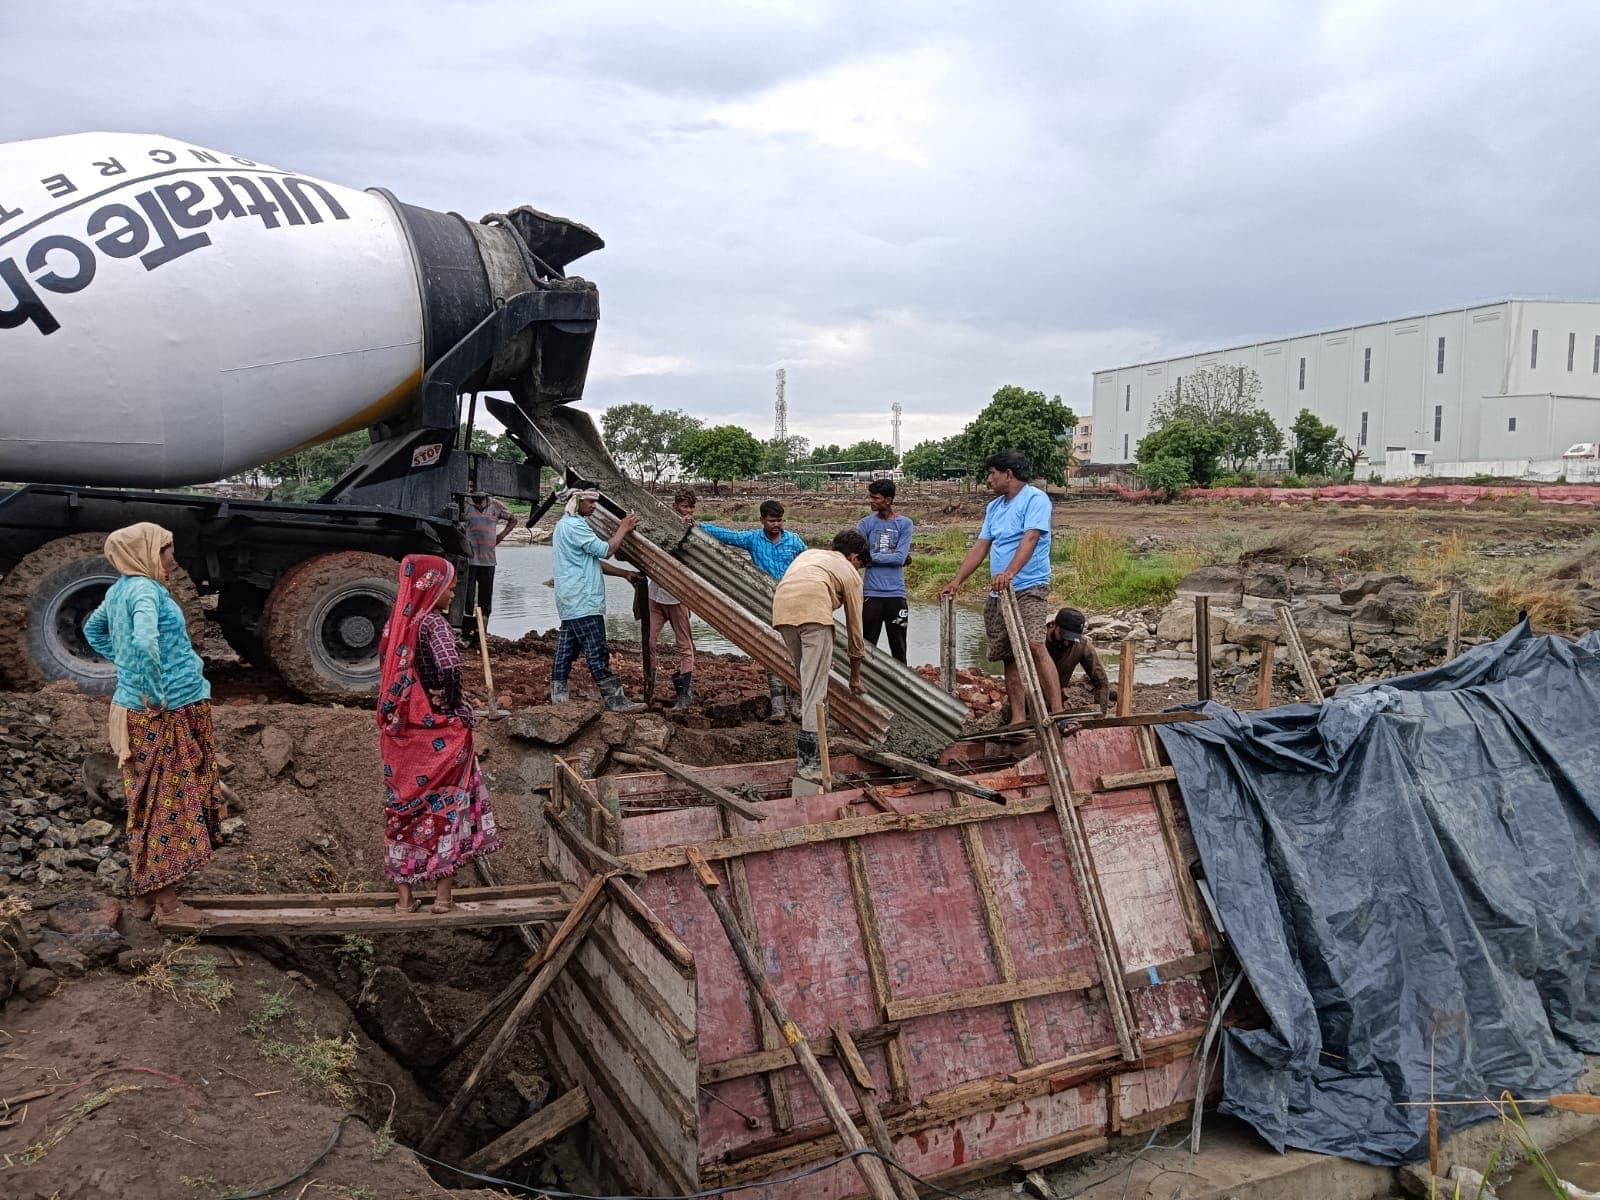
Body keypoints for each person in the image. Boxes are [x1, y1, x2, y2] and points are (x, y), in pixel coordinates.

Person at [83, 523, 222, 926]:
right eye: (166, 550)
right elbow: (146, 643)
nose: (171, 559)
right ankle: (169, 903)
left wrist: (124, 665)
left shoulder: (119, 590)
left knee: (148, 801)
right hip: (164, 712)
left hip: (139, 708)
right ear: (144, 552)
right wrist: (155, 691)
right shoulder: (145, 591)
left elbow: (93, 631)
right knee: (170, 804)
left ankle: (146, 893)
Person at [376, 555, 502, 914]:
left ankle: (404, 900)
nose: (451, 591)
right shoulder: (435, 625)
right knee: (448, 806)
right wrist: (451, 702)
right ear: (432, 588)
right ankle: (443, 897)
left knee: (402, 812)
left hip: (401, 739)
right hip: (439, 734)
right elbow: (449, 664)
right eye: (447, 585)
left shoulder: (396, 627)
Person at [938, 449, 1063, 722]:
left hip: (1029, 585)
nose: (989, 479)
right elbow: (982, 545)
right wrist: (956, 581)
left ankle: (1058, 711)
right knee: (1009, 655)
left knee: (1034, 645)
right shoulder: (994, 507)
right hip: (999, 591)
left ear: (1009, 473)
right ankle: (1018, 717)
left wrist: (1010, 571)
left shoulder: (1035, 499)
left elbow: (1031, 538)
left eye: (993, 474)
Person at [772, 531, 869, 781]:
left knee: (808, 683)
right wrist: (855, 677)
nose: (858, 568)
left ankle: (819, 750)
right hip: (813, 611)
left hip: (782, 609)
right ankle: (810, 766)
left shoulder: (810, 555)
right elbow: (856, 632)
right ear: (854, 557)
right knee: (815, 691)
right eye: (860, 563)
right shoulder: (849, 573)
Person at [701, 498, 807, 719]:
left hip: (793, 603)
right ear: (762, 520)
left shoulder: (794, 540)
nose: (776, 525)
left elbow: (808, 561)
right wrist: (699, 526)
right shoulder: (753, 538)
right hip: (765, 605)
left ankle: (797, 706)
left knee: (797, 652)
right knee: (772, 650)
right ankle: (778, 707)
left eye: (779, 520)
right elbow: (728, 536)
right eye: (772, 521)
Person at [550, 487, 645, 711]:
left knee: (566, 651)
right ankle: (616, 701)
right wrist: (624, 527)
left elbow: (592, 561)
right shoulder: (575, 526)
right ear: (576, 500)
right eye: (590, 501)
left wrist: (624, 574)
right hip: (584, 600)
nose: (594, 506)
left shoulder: (565, 525)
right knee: (597, 651)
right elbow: (606, 550)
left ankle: (558, 699)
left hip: (571, 600)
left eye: (595, 502)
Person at [646, 488, 699, 710]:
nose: (685, 511)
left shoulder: (694, 531)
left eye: (689, 507)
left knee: (684, 645)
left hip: (677, 596)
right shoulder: (661, 526)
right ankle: (649, 686)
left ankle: (684, 694)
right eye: (683, 506)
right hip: (656, 593)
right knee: (649, 640)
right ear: (674, 505)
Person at [856, 478, 913, 663]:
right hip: (871, 594)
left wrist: (874, 557)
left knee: (899, 647)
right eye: (871, 497)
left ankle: (901, 687)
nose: (871, 501)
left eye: (876, 498)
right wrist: (891, 556)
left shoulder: (905, 524)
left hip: (896, 594)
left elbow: (900, 558)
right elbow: (861, 558)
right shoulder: (864, 524)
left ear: (888, 500)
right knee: (867, 645)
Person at [459, 489, 516, 641]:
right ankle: (466, 633)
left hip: (488, 560)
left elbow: (513, 519)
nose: (476, 499)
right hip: (469, 559)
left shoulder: (495, 506)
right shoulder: (464, 504)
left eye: (479, 497)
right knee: (468, 598)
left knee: (486, 598)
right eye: (474, 497)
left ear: (485, 496)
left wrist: (501, 536)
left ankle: (482, 632)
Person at [1046, 607, 1113, 714]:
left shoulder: (1081, 645)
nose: (1067, 643)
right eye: (1064, 636)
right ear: (1052, 625)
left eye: (1072, 639)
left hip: (1056, 701)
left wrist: (1100, 716)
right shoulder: (1036, 639)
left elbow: (1101, 682)